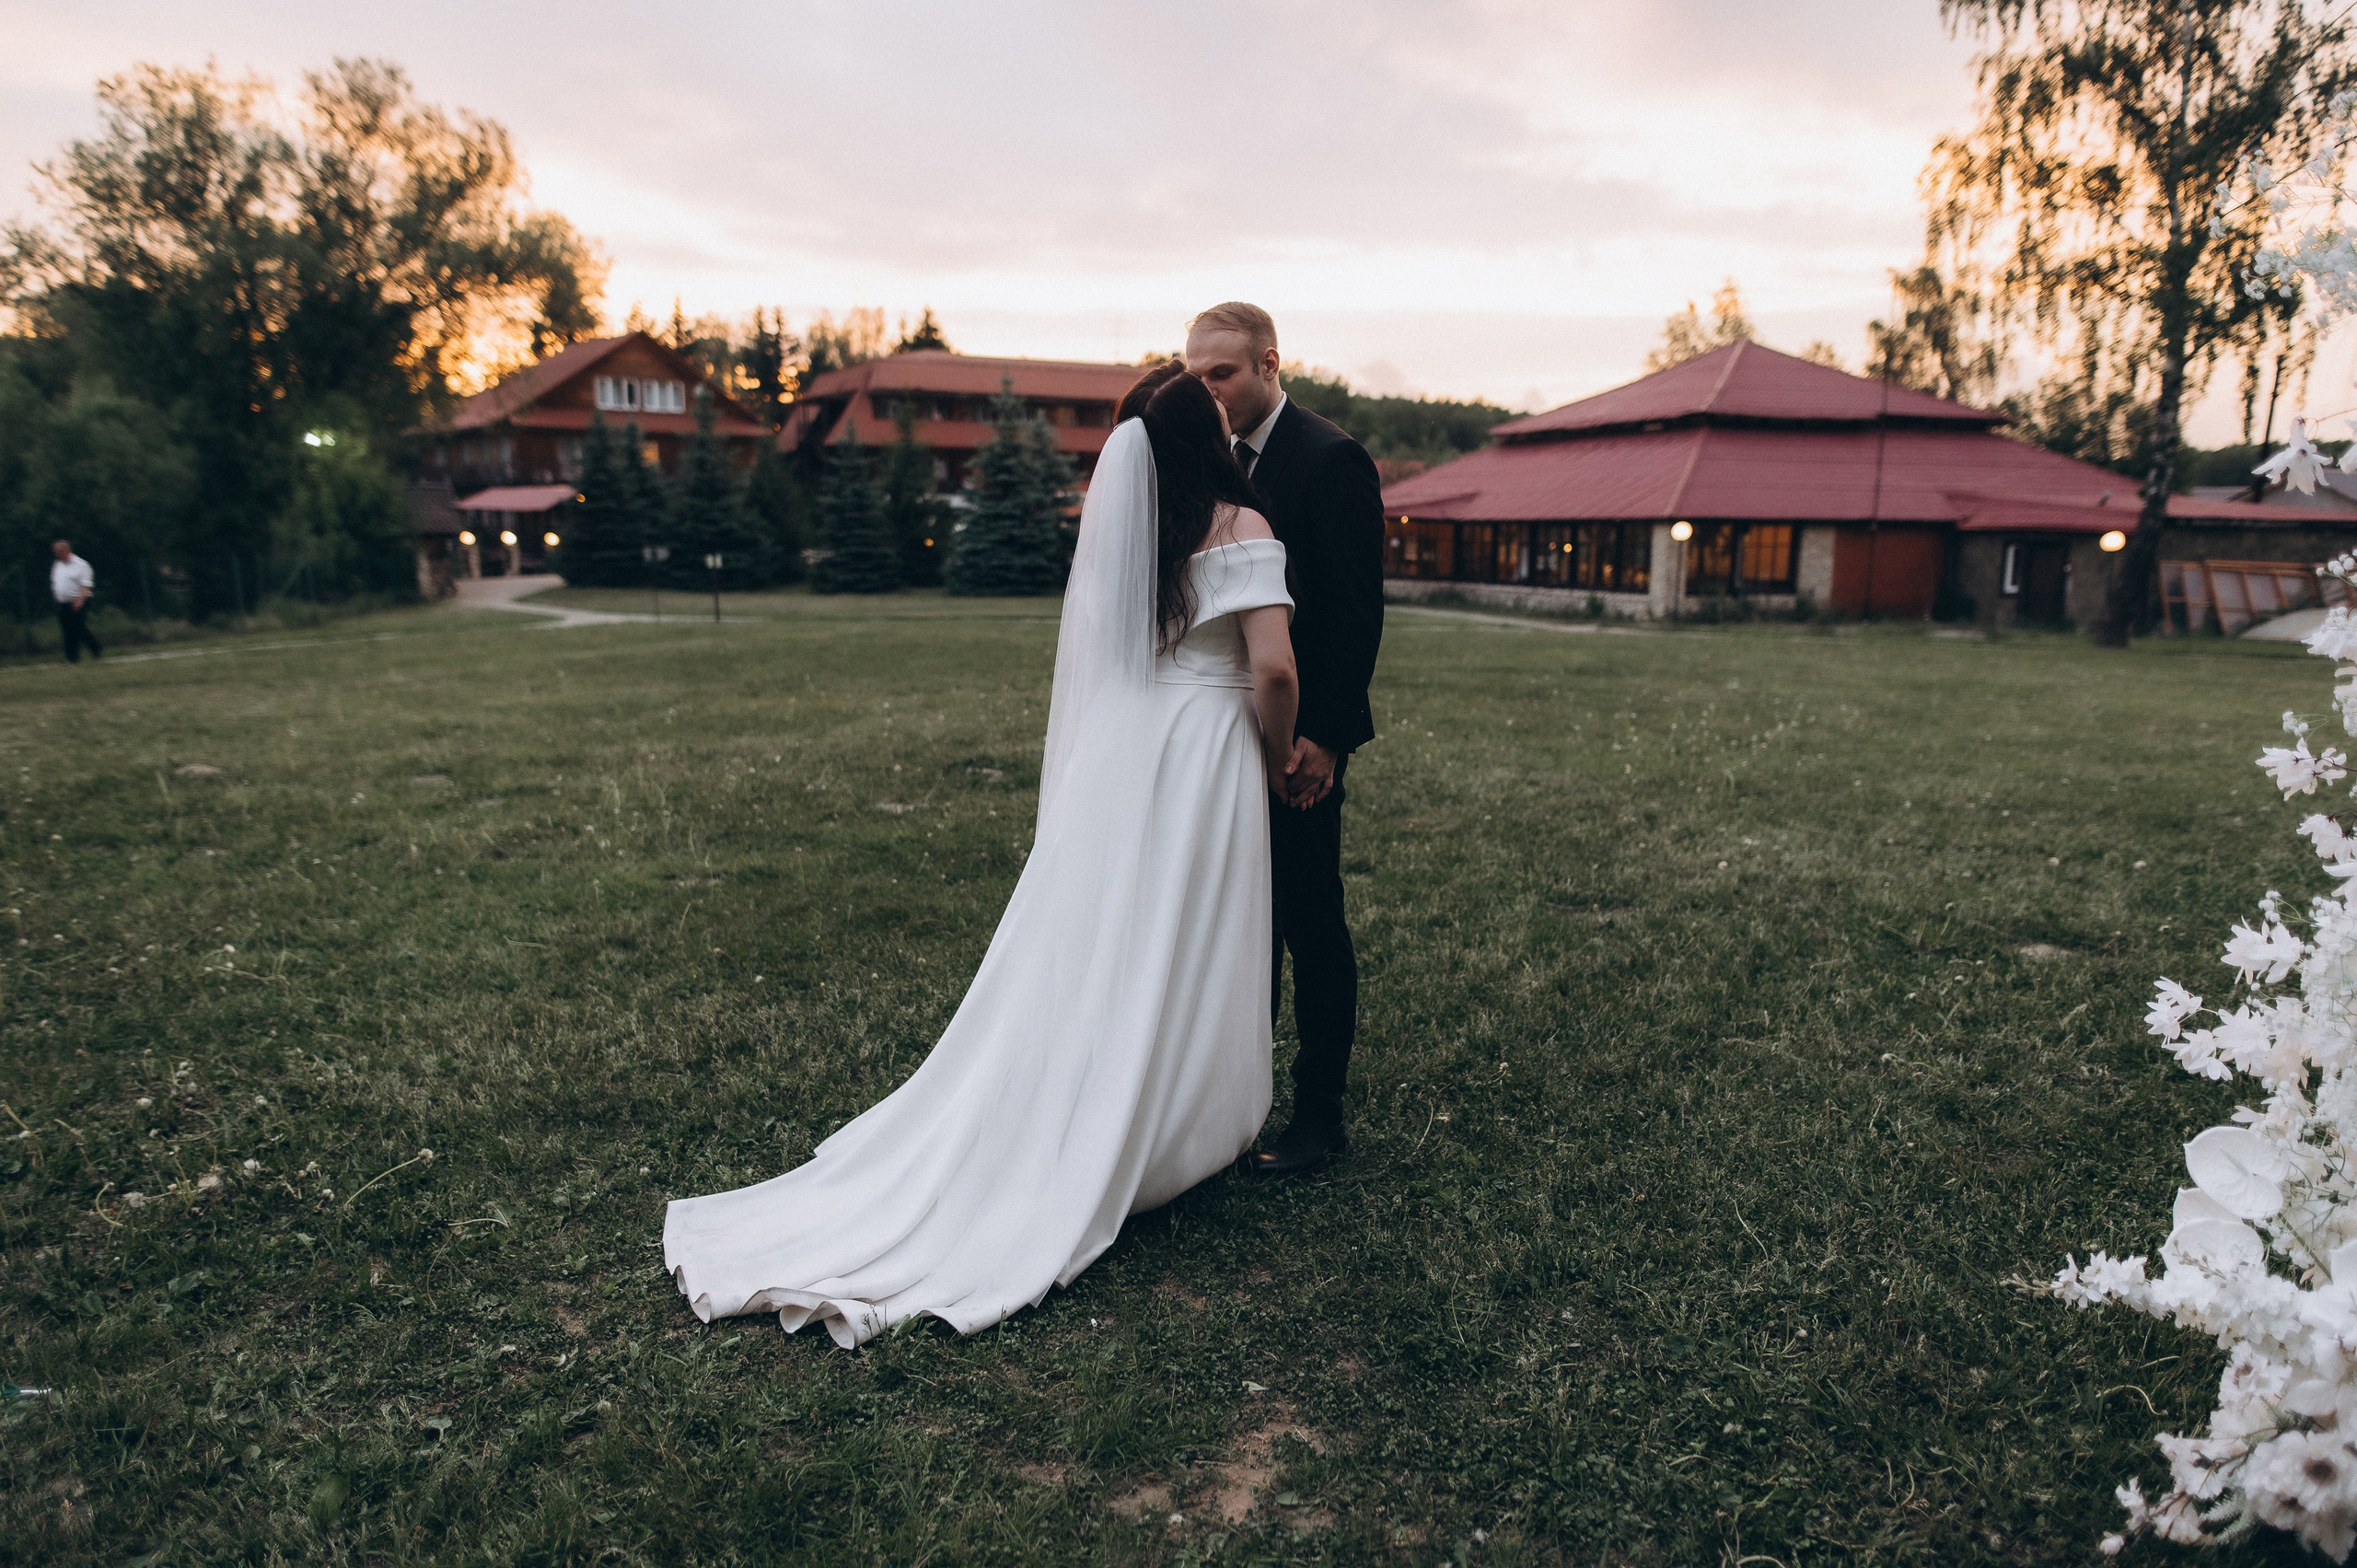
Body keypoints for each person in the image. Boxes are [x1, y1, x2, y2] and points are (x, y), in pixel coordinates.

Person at [663, 371, 1299, 1347]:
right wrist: (1274, 742)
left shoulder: (1142, 534)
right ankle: (1168, 1122)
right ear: (1203, 439)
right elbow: (1273, 667)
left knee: (1110, 933)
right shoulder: (1239, 522)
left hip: (1128, 753)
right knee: (1191, 928)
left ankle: (1107, 1096)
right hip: (1205, 750)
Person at [1183, 304, 1384, 1177]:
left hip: (1299, 744)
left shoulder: (1331, 458)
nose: (1206, 390)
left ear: (1269, 363)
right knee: (1235, 926)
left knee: (1310, 922)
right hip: (1220, 740)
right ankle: (1232, 1104)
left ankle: (1320, 1118)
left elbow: (1352, 611)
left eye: (1220, 374)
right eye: (1191, 375)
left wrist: (1326, 739)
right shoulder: (1198, 459)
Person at [50, 540, 101, 663]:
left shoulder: (81, 565)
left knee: (77, 629)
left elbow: (86, 585)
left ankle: (86, 651)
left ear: (66, 551)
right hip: (63, 603)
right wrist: (57, 599)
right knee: (67, 629)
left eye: (58, 552)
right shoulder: (57, 565)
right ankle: (74, 656)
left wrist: (80, 601)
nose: (57, 555)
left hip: (78, 601)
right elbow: (54, 582)